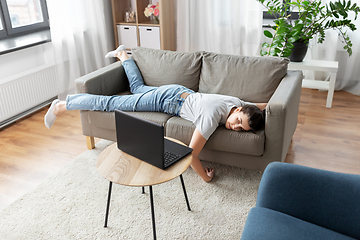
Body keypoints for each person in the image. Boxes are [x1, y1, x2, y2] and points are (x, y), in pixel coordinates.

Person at [44, 46, 267, 182]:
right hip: (168, 100)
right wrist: (206, 178)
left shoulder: (236, 103)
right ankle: (62, 105)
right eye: (238, 122)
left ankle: (124, 56)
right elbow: (192, 155)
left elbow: (259, 105)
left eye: (240, 128)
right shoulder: (210, 117)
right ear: (237, 111)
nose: (234, 127)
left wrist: (274, 106)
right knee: (110, 103)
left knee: (138, 90)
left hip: (178, 92)